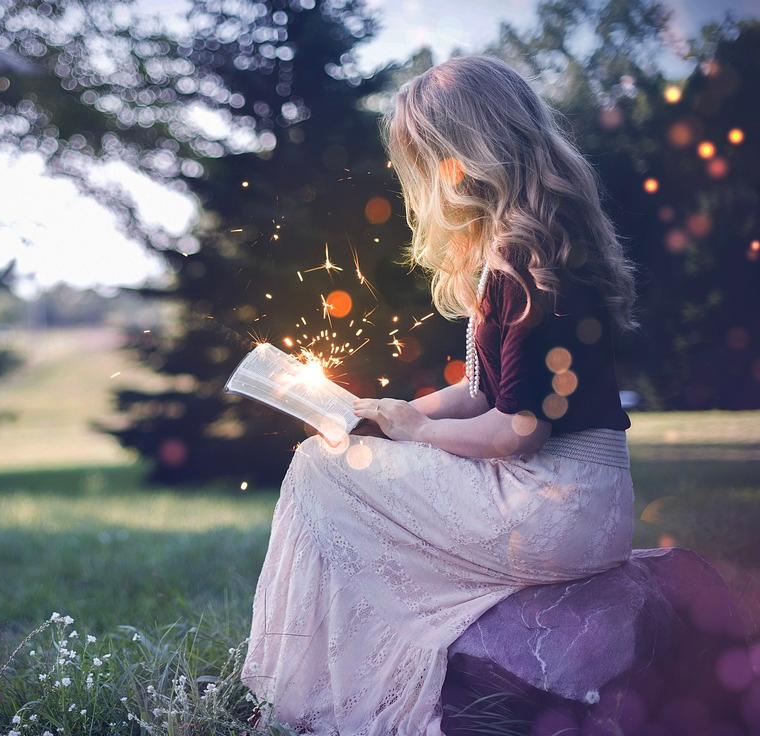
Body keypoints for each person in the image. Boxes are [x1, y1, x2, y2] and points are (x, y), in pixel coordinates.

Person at [240, 54, 639, 735]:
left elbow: (516, 431)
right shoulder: (534, 251)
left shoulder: (525, 265)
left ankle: (310, 693)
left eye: (422, 160)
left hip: (555, 501)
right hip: (579, 498)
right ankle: (322, 681)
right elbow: (480, 393)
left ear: (464, 158)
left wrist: (413, 434)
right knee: (339, 461)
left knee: (318, 470)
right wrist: (379, 416)